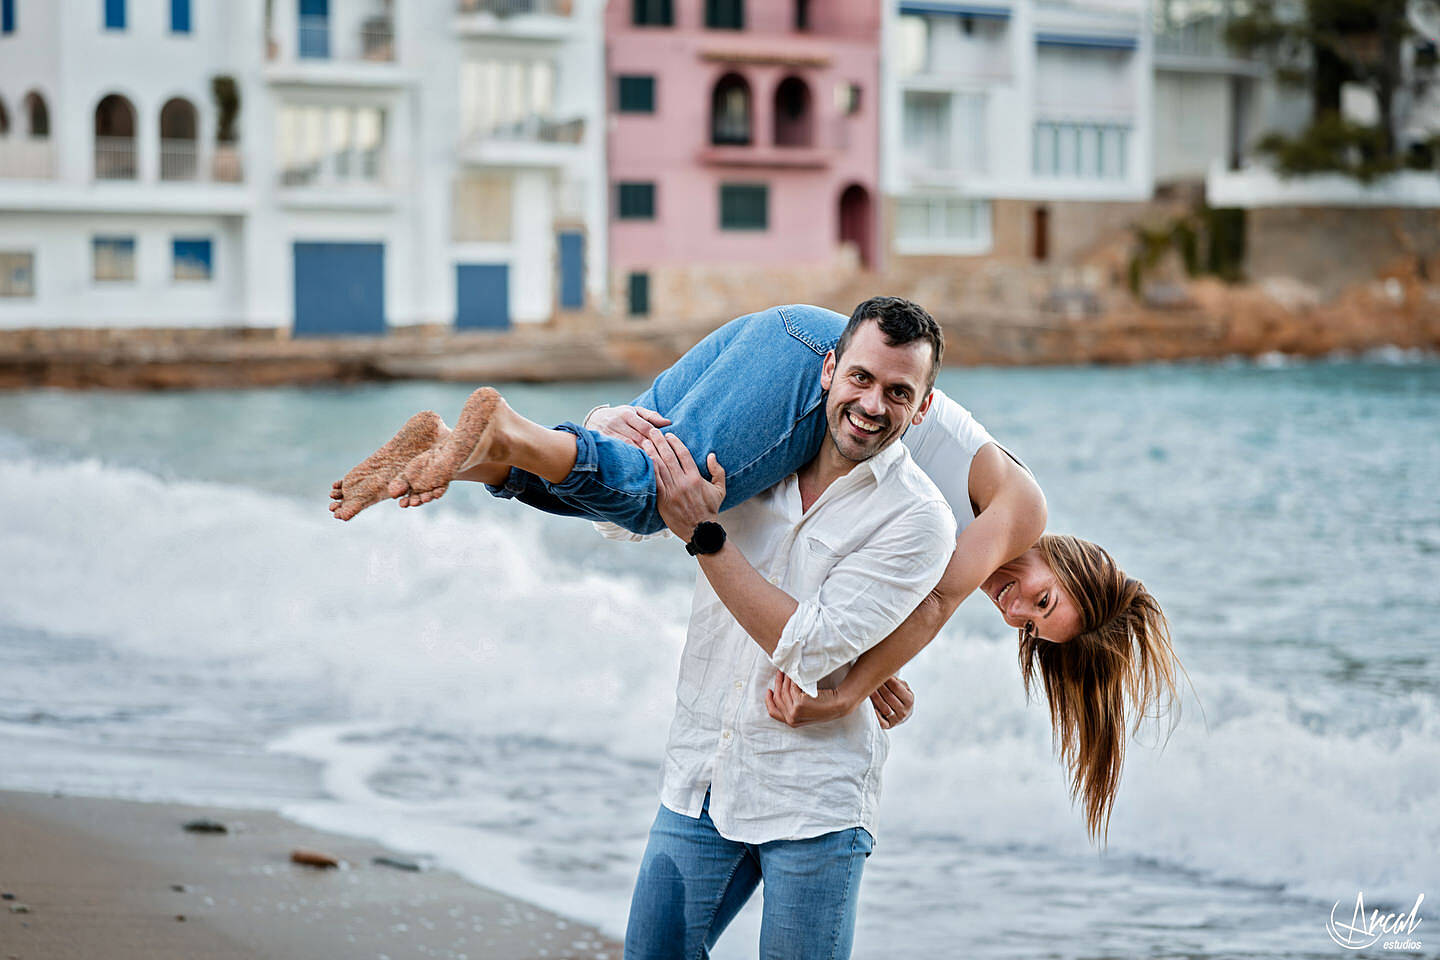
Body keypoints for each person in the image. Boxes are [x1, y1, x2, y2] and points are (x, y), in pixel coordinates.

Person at [329, 299, 1184, 845]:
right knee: (661, 504)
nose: (1015, 607)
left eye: (1028, 627)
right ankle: (506, 428)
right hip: (816, 365)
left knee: (623, 484)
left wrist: (864, 666)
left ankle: (464, 453)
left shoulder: (976, 519)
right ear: (1070, 563)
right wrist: (849, 692)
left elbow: (873, 599)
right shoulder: (1022, 509)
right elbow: (931, 607)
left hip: (790, 339)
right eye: (1043, 599)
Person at [625, 300, 956, 956]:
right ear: (828, 370)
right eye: (860, 377)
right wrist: (606, 420)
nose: (872, 405)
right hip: (703, 773)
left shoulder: (919, 518)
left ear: (922, 408)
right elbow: (626, 503)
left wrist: (703, 533)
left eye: (898, 392)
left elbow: (812, 644)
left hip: (814, 800)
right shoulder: (752, 458)